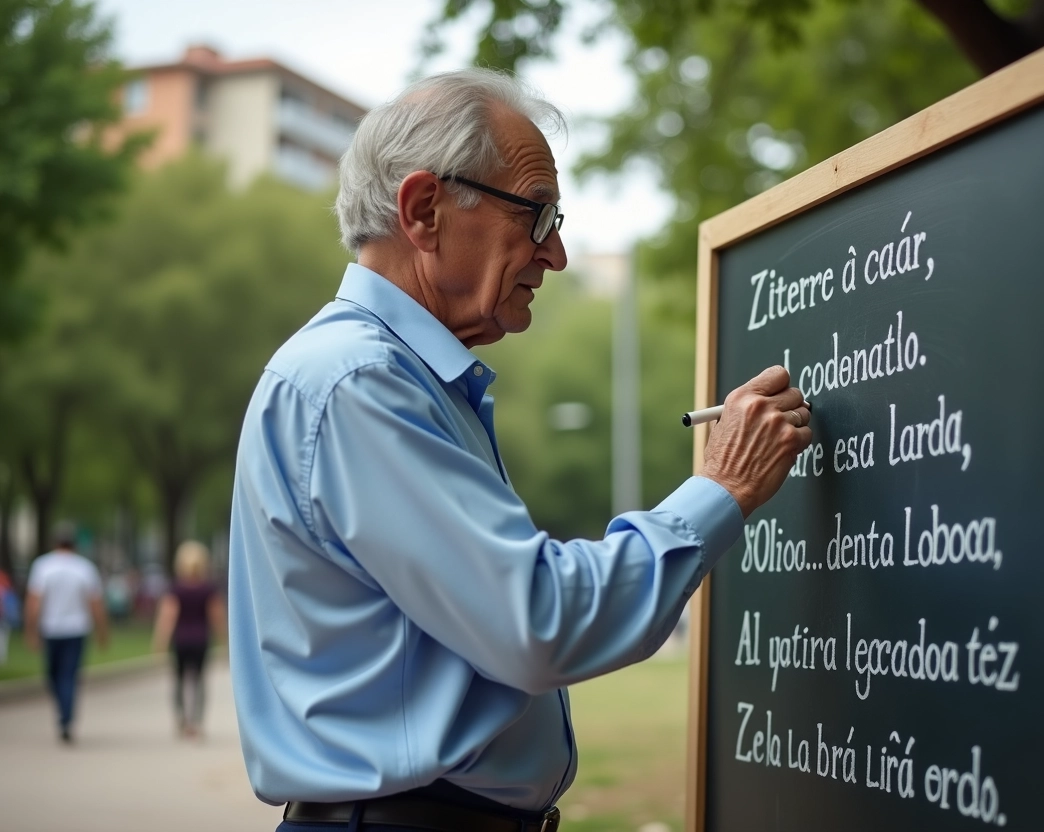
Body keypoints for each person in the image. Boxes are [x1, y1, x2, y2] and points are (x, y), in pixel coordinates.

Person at [229, 68, 812, 832]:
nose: (558, 253)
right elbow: (538, 622)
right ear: (424, 209)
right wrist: (722, 488)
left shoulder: (395, 380)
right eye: (537, 215)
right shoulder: (359, 382)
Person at [25, 528, 109, 743]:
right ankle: (66, 714)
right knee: (67, 676)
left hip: (59, 629)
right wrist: (102, 631)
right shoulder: (84, 568)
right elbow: (95, 603)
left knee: (57, 675)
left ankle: (65, 717)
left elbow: (34, 602)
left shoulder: (43, 566)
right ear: (74, 545)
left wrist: (31, 631)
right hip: (71, 629)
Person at [152, 540, 226, 738]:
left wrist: (160, 641)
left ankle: (182, 719)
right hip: (201, 640)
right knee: (200, 681)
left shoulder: (176, 588)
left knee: (178, 680)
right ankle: (197, 722)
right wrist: (223, 640)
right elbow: (216, 616)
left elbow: (168, 617)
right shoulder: (208, 588)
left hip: (181, 641)